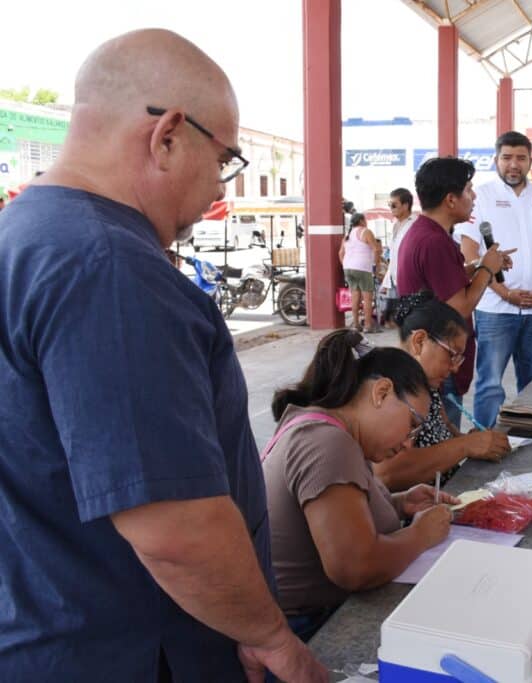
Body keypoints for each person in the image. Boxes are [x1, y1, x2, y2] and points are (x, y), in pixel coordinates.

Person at [0, 29, 325, 682]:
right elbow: (176, 528)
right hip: (133, 650)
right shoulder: (110, 268)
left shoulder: (24, 233)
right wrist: (271, 636)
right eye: (224, 160)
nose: (216, 188)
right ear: (168, 136)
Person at [263, 330, 455, 641]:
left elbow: (335, 513)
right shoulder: (327, 443)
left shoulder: (333, 433)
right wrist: (421, 534)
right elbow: (355, 567)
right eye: (412, 425)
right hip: (307, 631)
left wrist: (397, 504)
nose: (408, 443)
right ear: (381, 392)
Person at [454, 131, 532, 427]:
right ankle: (485, 438)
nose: (514, 164)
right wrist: (504, 292)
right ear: (496, 160)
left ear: (530, 162)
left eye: (521, 158)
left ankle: (530, 437)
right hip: (494, 309)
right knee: (490, 382)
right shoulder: (480, 197)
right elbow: (469, 250)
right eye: (507, 158)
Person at [397, 156, 510, 428]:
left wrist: (478, 266)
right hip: (436, 359)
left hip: (427, 355)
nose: (473, 197)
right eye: (469, 190)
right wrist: (487, 269)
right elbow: (458, 308)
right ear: (450, 199)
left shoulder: (425, 232)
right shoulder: (435, 241)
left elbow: (442, 283)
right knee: (443, 438)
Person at [373, 291, 511, 491]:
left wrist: (473, 441)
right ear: (419, 341)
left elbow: (445, 430)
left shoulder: (427, 384)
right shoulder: (389, 390)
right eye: (452, 355)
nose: (455, 368)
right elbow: (388, 473)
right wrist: (466, 445)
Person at [339, 212, 381, 333]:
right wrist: (376, 266)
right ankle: (368, 326)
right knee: (367, 298)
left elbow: (340, 253)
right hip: (362, 268)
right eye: (365, 220)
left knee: (355, 296)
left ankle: (356, 325)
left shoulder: (347, 235)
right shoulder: (365, 231)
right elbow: (376, 249)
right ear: (362, 221)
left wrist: (346, 265)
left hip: (348, 268)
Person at [379, 187, 415, 327]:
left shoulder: (414, 224)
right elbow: (394, 254)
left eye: (394, 205)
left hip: (408, 278)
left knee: (409, 318)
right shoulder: (395, 226)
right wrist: (387, 279)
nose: (391, 208)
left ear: (405, 205)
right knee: (396, 320)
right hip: (394, 278)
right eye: (390, 205)